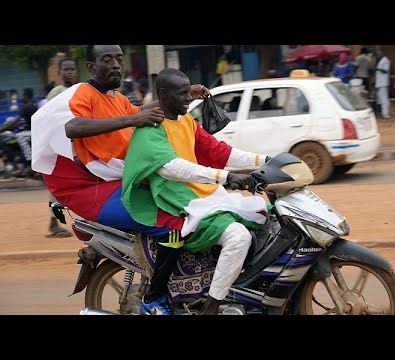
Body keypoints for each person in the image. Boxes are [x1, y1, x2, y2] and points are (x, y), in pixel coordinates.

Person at [31, 45, 209, 312]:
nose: (116, 64)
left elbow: (136, 110)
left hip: (110, 181)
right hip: (87, 189)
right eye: (107, 59)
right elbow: (73, 127)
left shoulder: (114, 97)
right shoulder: (84, 93)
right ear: (91, 67)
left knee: (188, 200)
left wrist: (184, 95)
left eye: (119, 59)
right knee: (173, 223)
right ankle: (156, 299)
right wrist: (132, 120)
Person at [121, 68, 271, 315]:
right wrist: (227, 177)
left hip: (201, 194)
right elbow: (173, 168)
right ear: (163, 95)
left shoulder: (186, 120)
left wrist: (265, 160)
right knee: (238, 237)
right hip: (175, 200)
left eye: (188, 92)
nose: (189, 98)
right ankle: (212, 307)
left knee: (262, 216)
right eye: (182, 94)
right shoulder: (151, 128)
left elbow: (218, 151)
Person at [42, 58, 79, 238]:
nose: (70, 72)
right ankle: (53, 222)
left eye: (72, 69)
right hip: (61, 143)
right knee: (58, 186)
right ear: (60, 72)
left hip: (78, 144)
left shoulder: (81, 89)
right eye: (66, 69)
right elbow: (48, 118)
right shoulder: (55, 93)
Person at [0, 87, 37, 176]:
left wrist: (1, 129)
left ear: (26, 95)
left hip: (36, 132)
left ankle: (30, 161)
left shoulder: (28, 106)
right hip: (35, 131)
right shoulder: (32, 105)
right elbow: (17, 122)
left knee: (19, 136)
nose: (22, 97)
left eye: (23, 95)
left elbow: (15, 121)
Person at [374, 48, 391, 120]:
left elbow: (385, 71)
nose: (378, 55)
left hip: (383, 83)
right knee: (380, 100)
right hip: (379, 84)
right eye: (377, 54)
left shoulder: (385, 60)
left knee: (384, 100)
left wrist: (377, 69)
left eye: (379, 54)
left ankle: (385, 115)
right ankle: (384, 113)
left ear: (382, 53)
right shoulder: (380, 61)